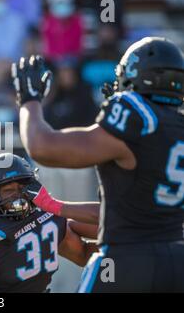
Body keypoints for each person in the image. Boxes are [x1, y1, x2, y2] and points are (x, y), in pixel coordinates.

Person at [11, 37, 184, 292]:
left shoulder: (135, 115)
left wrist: (29, 101)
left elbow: (41, 147)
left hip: (126, 260)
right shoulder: (177, 125)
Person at [0, 153, 98, 293]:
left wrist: (117, 246)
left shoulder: (48, 218)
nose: (18, 195)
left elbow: (84, 254)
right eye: (9, 190)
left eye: (23, 188)